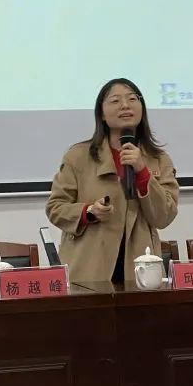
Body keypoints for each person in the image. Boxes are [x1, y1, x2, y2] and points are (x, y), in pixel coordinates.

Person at [46, 78, 179, 284]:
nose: (125, 105)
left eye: (132, 99)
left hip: (139, 269)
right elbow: (55, 208)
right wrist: (89, 211)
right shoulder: (78, 156)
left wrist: (142, 171)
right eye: (115, 101)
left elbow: (164, 217)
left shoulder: (158, 159)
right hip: (88, 269)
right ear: (101, 113)